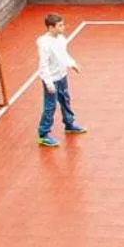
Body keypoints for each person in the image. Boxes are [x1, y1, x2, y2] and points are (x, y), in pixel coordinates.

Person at [35, 12, 86, 148]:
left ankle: (69, 124)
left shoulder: (61, 39)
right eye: (60, 25)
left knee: (65, 100)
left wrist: (72, 64)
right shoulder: (45, 44)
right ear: (51, 28)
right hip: (52, 80)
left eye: (63, 24)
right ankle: (43, 134)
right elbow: (43, 65)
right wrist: (48, 83)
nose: (63, 27)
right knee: (50, 107)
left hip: (62, 77)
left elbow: (63, 55)